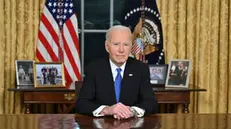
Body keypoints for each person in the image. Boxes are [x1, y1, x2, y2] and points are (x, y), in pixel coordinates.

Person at [76, 25, 158, 120]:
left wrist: (131, 111)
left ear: (131, 46)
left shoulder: (140, 69)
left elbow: (151, 103)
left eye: (126, 45)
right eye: (116, 44)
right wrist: (107, 110)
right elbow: (82, 104)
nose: (121, 50)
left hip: (132, 124)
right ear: (107, 47)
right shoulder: (94, 68)